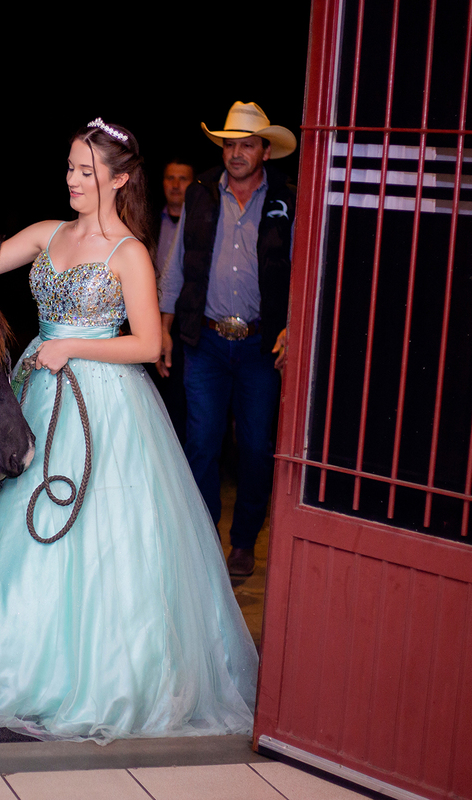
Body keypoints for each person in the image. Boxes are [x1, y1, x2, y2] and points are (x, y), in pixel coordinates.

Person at [0, 118, 258, 743]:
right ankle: (6, 658)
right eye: (70, 168)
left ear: (120, 179)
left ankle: (92, 675)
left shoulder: (129, 253)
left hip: (103, 403)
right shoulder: (47, 233)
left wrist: (74, 346)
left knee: (100, 535)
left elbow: (147, 344)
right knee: (16, 520)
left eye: (86, 171)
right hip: (38, 390)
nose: (73, 180)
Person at [158, 101, 296, 578]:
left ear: (265, 151)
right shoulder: (200, 193)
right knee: (201, 442)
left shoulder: (287, 199)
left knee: (256, 447)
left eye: (247, 145)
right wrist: (164, 330)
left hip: (261, 345)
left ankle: (244, 542)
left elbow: (305, 269)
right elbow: (175, 267)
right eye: (230, 144)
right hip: (207, 342)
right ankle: (203, 537)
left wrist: (293, 326)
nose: (237, 153)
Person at [154, 159, 195, 440]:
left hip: (184, 322)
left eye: (183, 178)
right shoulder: (149, 222)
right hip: (147, 315)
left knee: (182, 397)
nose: (176, 185)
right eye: (170, 178)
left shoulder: (201, 223)